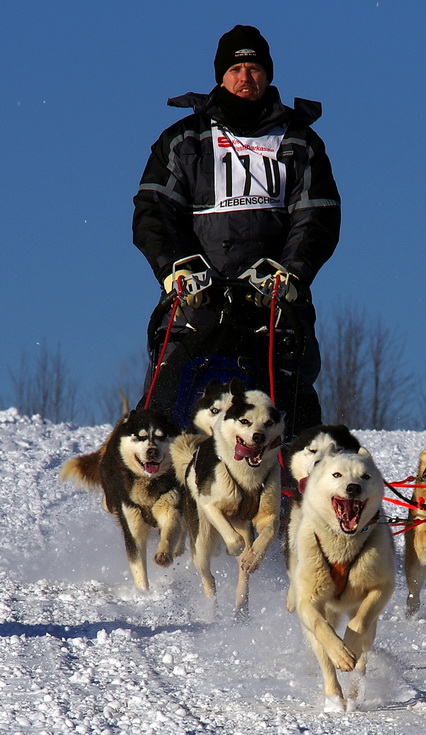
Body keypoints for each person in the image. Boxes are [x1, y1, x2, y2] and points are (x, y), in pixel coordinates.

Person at [132, 25, 340, 436]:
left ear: (269, 74)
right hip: (197, 296)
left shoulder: (299, 141)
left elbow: (317, 216)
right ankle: (152, 487)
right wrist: (176, 267)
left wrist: (290, 272)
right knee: (165, 397)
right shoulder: (182, 140)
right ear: (221, 76)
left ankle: (297, 491)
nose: (246, 76)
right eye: (236, 68)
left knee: (292, 400)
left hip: (274, 298)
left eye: (255, 67)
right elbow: (153, 211)